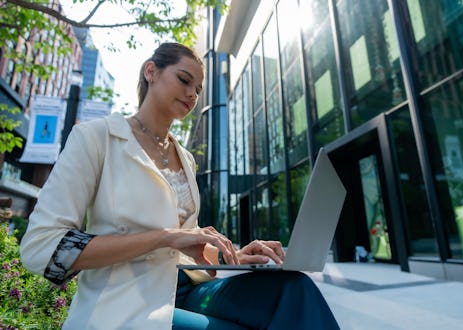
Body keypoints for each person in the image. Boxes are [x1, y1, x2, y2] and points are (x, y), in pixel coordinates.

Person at [20, 42, 340, 329]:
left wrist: (234, 256)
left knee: (295, 290)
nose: (192, 94)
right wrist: (166, 238)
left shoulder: (185, 158)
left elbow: (189, 248)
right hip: (128, 299)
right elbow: (42, 248)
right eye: (185, 80)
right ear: (151, 72)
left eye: (198, 89)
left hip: (189, 288)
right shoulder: (96, 138)